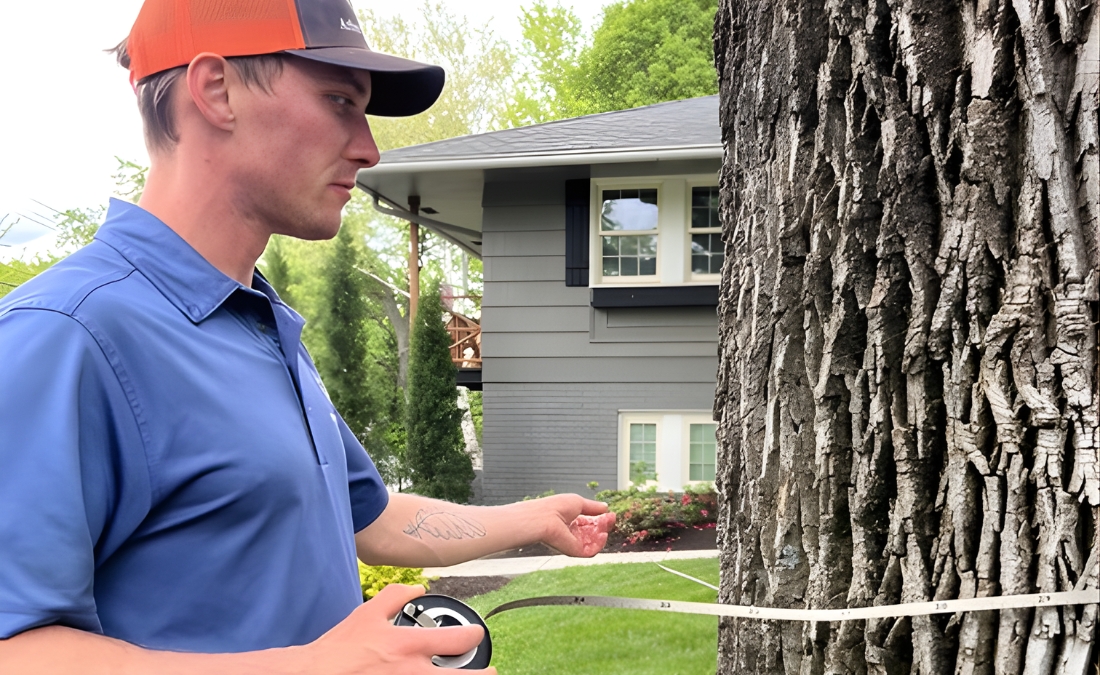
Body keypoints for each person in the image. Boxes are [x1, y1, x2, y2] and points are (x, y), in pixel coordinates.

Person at [0, 0, 615, 672]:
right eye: (338, 101)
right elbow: (18, 648)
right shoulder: (66, 336)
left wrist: (533, 519)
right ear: (216, 90)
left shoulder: (260, 323)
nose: (369, 147)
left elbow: (371, 520)